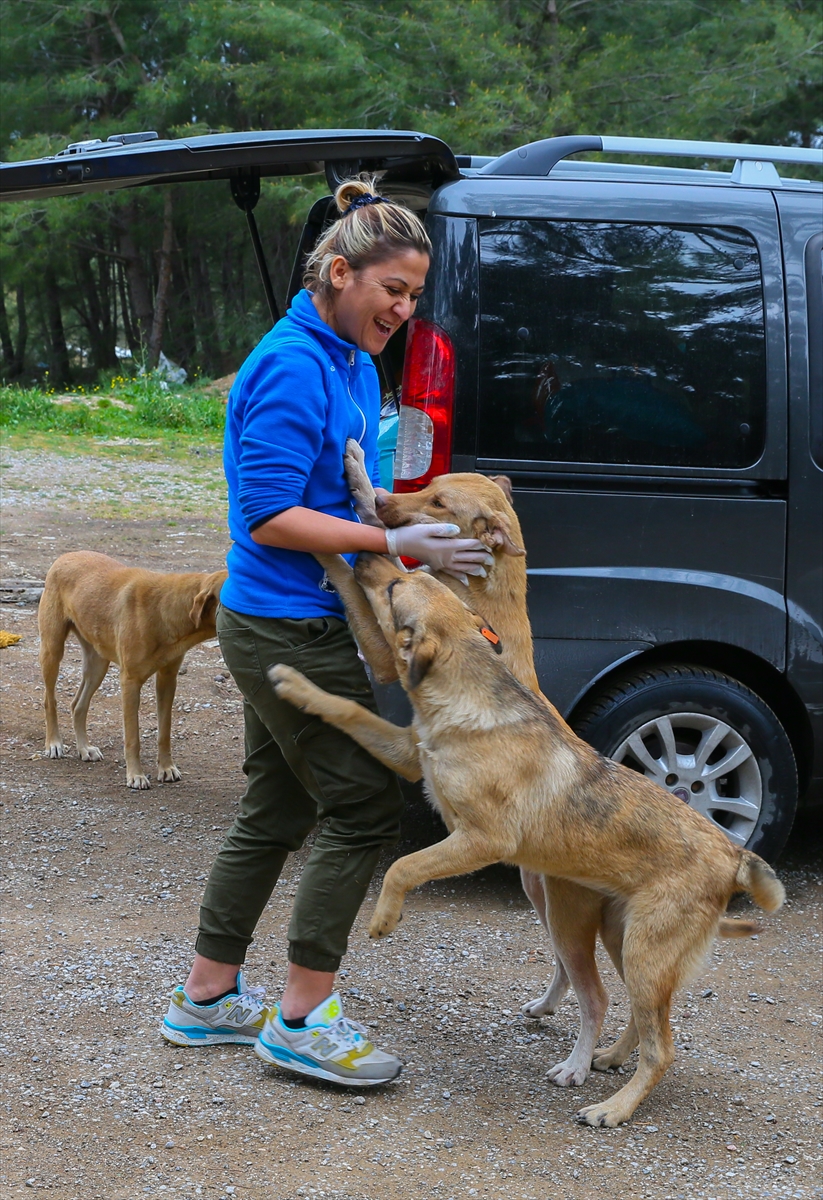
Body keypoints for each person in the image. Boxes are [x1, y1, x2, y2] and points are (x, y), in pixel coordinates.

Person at [161, 176, 492, 1086]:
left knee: (274, 809)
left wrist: (410, 526)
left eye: (415, 294)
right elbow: (268, 514)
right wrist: (387, 537)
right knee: (360, 807)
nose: (404, 308)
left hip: (299, 616)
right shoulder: (293, 363)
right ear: (339, 273)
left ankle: (206, 998)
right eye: (393, 289)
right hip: (279, 624)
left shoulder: (348, 356)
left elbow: (334, 483)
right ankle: (300, 1016)